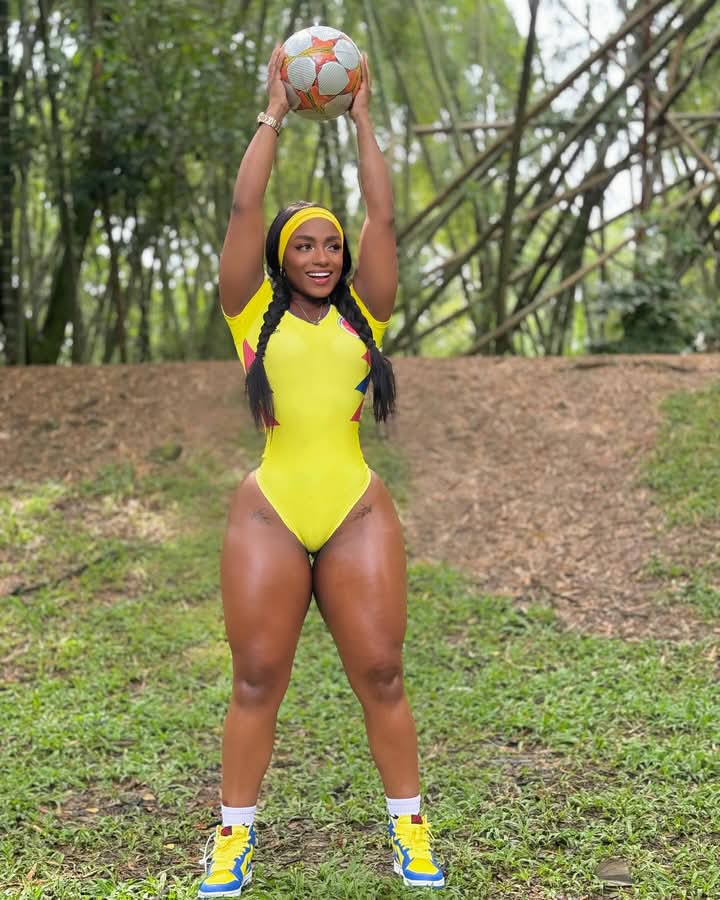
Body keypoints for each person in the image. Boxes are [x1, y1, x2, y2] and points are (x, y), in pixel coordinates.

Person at [198, 44, 445, 897]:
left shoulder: (366, 312)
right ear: (279, 256)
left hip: (355, 510)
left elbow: (382, 216)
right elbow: (244, 205)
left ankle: (410, 829)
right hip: (269, 509)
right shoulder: (249, 310)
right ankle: (232, 839)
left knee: (382, 673)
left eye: (330, 245)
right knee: (255, 679)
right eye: (303, 245)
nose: (321, 255)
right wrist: (272, 112)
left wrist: (363, 120)